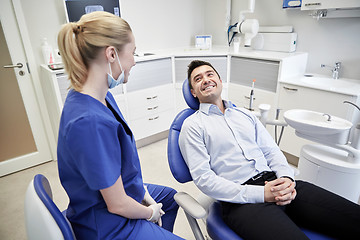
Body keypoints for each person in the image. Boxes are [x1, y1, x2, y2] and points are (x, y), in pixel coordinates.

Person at [179, 60, 360, 240]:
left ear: (220, 81)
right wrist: (261, 194)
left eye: (210, 74)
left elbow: (272, 151)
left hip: (277, 182)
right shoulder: (193, 126)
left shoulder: (245, 115)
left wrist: (286, 179)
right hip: (242, 201)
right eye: (198, 78)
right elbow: (204, 179)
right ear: (193, 92)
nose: (206, 79)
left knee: (353, 217)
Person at [57, 12, 183, 240]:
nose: (134, 60)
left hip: (120, 194)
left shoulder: (99, 96)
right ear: (112, 54)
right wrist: (148, 212)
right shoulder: (89, 122)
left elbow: (118, 163)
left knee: (170, 198)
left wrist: (141, 190)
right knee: (158, 210)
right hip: (108, 224)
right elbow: (117, 205)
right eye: (132, 52)